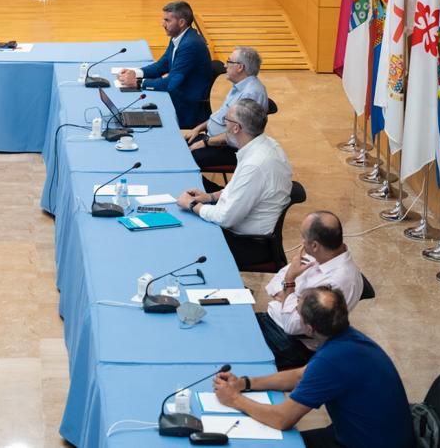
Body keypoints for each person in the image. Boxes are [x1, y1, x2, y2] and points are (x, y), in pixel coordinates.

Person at [213, 287, 414, 448]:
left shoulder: (332, 360)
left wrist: (234, 399)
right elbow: (301, 376)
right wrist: (245, 383)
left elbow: (282, 418)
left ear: (309, 328)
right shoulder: (349, 339)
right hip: (368, 434)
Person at [176, 99, 292, 267]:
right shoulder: (266, 145)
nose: (224, 124)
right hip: (243, 229)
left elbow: (225, 218)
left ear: (236, 128)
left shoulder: (255, 165)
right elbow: (237, 189)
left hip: (248, 243)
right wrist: (209, 197)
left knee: (184, 241)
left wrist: (193, 204)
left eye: (226, 120)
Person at [258, 211, 364, 369]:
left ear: (315, 245)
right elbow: (275, 283)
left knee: (229, 347)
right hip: (274, 319)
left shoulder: (339, 281)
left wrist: (289, 283)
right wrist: (292, 296)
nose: (301, 242)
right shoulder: (321, 254)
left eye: (303, 237)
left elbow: (292, 326)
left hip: (292, 344)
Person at [117, 1, 213, 128]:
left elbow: (171, 83)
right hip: (178, 95)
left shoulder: (190, 45)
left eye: (167, 20)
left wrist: (138, 83)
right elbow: (162, 65)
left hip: (187, 107)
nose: (163, 24)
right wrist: (136, 73)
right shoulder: (179, 36)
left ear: (182, 23)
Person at [184, 46, 268, 169]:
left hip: (229, 148)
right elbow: (220, 116)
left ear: (240, 67)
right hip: (213, 139)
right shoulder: (239, 86)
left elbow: (237, 134)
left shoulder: (251, 94)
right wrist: (197, 129)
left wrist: (204, 143)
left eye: (229, 61)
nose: (225, 65)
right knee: (177, 147)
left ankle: (212, 188)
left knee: (184, 159)